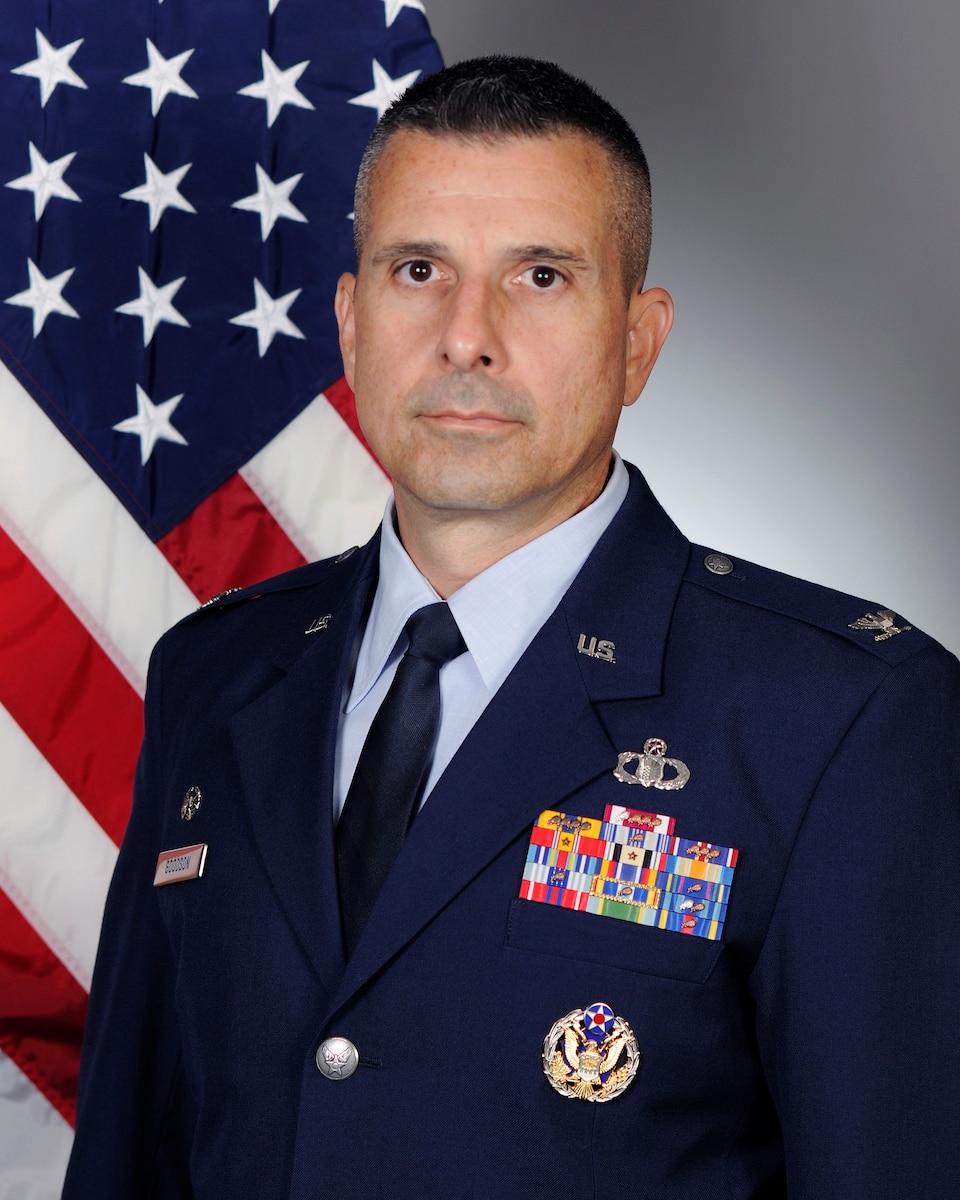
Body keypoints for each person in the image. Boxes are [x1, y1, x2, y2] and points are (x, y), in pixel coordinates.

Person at [64, 56, 960, 1198]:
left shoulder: (842, 720)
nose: (466, 337)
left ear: (637, 341)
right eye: (418, 269)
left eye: (540, 275)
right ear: (349, 323)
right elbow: (132, 1162)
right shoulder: (217, 671)